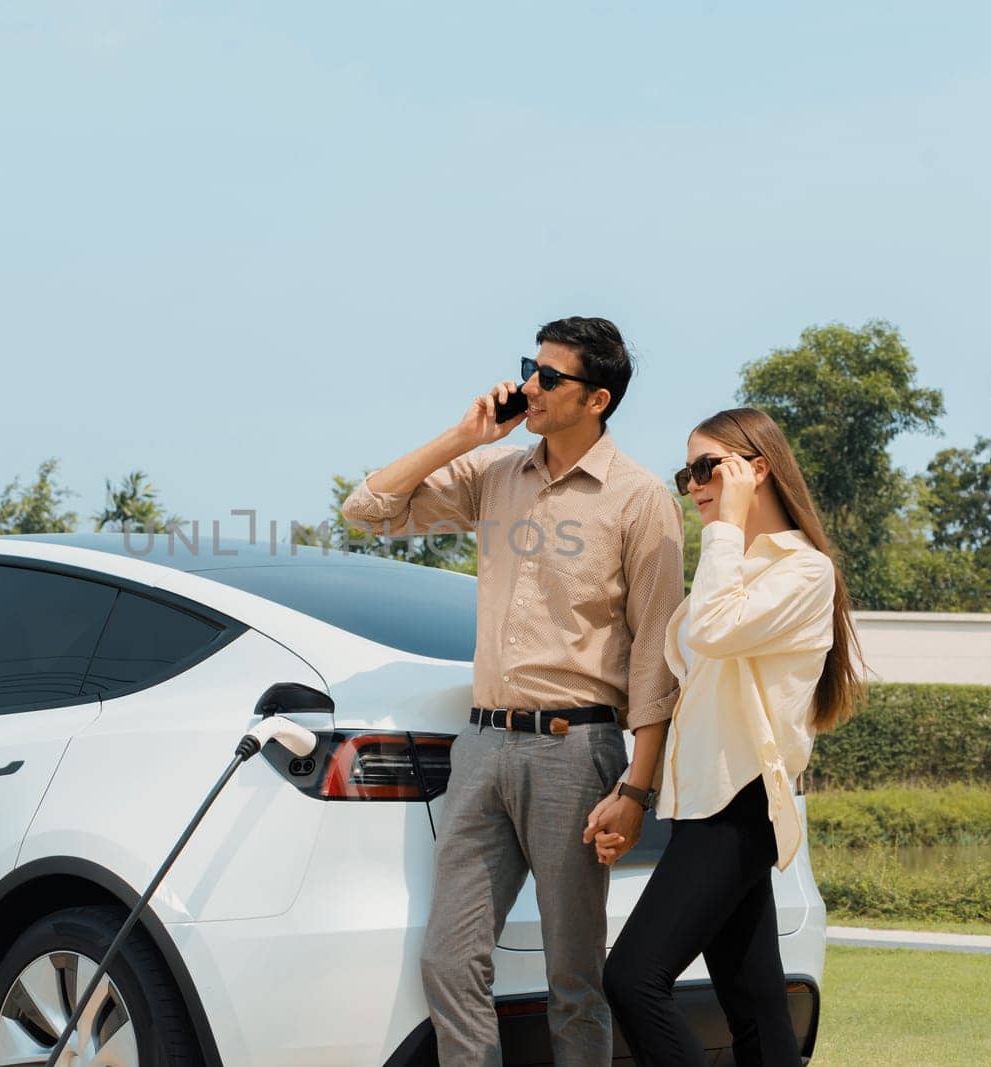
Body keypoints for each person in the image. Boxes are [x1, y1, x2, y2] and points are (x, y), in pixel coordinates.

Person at [341, 317, 684, 1067]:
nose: (529, 383)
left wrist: (636, 786)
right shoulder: (495, 474)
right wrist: (463, 438)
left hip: (578, 753)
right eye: (530, 366)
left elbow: (660, 654)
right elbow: (364, 509)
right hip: (482, 748)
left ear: (596, 399)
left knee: (573, 980)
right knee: (450, 961)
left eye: (549, 376)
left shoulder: (640, 498)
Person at [591, 406, 863, 1066]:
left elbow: (713, 630)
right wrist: (638, 787)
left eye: (708, 467)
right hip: (702, 806)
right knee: (758, 1013)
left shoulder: (802, 571)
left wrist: (726, 530)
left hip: (737, 805)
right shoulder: (735, 563)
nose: (694, 484)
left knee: (633, 977)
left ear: (757, 469)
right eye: (687, 472)